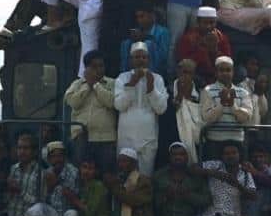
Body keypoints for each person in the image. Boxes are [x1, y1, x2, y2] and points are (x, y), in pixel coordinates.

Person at [115, 41, 169, 175]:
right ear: (131, 60)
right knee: (124, 175)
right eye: (137, 57)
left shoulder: (157, 79)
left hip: (147, 137)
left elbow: (161, 109)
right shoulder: (123, 78)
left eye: (144, 57)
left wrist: (151, 88)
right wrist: (132, 84)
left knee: (145, 175)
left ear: (148, 60)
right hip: (126, 136)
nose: (141, 60)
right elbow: (119, 105)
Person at [64, 50, 117, 174]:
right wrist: (87, 86)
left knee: (106, 174)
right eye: (94, 66)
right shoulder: (77, 84)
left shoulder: (112, 83)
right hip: (81, 138)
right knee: (80, 174)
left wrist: (96, 85)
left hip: (105, 139)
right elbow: (73, 102)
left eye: (101, 66)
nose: (98, 69)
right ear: (87, 68)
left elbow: (111, 102)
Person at [200, 57, 253, 146]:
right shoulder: (207, 91)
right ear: (216, 73)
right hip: (214, 141)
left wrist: (233, 105)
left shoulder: (243, 93)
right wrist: (221, 104)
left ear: (233, 72)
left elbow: (246, 118)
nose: (225, 73)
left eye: (228, 70)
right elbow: (206, 118)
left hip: (237, 141)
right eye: (221, 70)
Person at [176, 6, 233, 85]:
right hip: (197, 73)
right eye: (205, 23)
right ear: (198, 23)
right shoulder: (188, 38)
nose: (208, 26)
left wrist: (214, 50)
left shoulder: (222, 37)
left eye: (212, 23)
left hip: (218, 72)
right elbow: (184, 62)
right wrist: (203, 49)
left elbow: (228, 60)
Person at [119, 3, 170, 76]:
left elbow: (163, 57)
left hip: (155, 70)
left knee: (148, 44)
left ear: (152, 16)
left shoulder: (163, 32)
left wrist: (145, 39)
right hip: (134, 67)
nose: (139, 20)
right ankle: (125, 76)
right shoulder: (137, 30)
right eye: (137, 17)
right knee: (126, 43)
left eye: (142, 16)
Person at [173, 59, 203, 161]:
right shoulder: (169, 89)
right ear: (178, 72)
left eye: (190, 73)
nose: (186, 76)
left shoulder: (200, 90)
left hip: (196, 135)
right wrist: (180, 94)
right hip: (174, 132)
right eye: (184, 72)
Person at [238, 54, 269, 125]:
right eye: (252, 64)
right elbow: (246, 111)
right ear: (244, 66)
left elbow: (263, 111)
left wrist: (260, 94)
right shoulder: (240, 86)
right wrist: (255, 93)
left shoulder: (256, 83)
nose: (255, 68)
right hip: (244, 129)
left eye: (256, 65)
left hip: (255, 129)